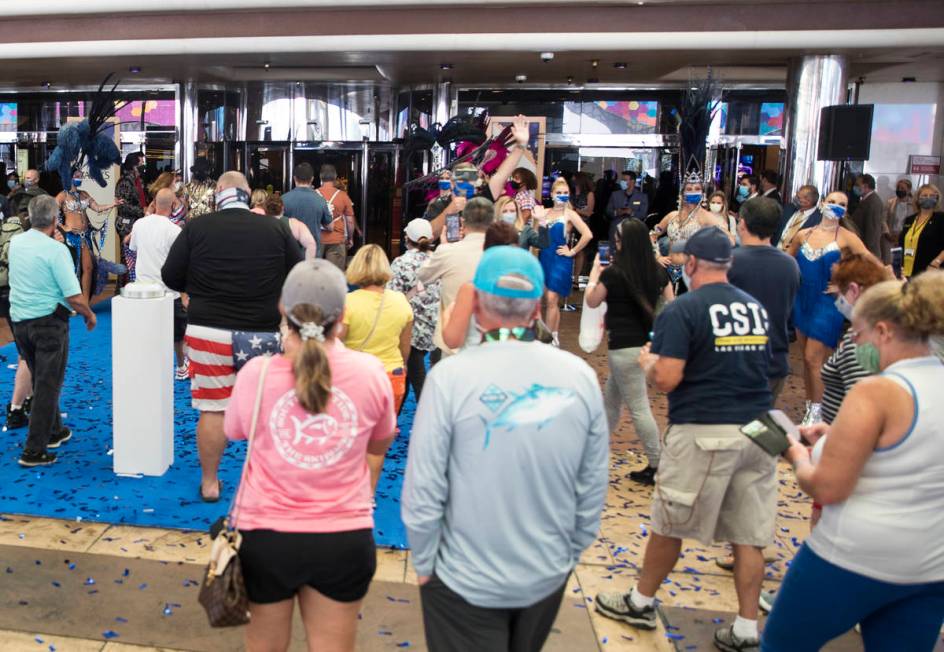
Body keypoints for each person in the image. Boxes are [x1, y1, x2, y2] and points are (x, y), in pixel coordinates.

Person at [403, 245, 609, 652]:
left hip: (461, 577)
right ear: (536, 307)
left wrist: (425, 564)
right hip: (545, 575)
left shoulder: (450, 379)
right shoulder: (579, 377)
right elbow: (593, 483)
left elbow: (423, 488)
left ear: (476, 302)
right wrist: (567, 555)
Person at [595, 227, 775, 652]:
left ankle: (641, 601)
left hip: (706, 428)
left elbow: (668, 380)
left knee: (668, 522)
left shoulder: (686, 310)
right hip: (760, 429)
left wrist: (649, 363)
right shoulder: (754, 309)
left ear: (690, 263)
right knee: (749, 534)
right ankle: (747, 627)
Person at [764, 271, 944, 652]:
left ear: (882, 331)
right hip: (929, 566)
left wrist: (795, 451)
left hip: (852, 557)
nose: (854, 344)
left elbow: (827, 486)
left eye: (857, 335)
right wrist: (840, 439)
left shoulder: (877, 391)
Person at [224, 259, 396, 652]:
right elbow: (379, 444)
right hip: (343, 536)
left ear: (283, 310)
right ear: (344, 314)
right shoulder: (371, 373)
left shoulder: (258, 373)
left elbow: (235, 430)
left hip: (266, 536)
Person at [162, 171, 304, 502]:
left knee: (213, 410)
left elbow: (170, 275)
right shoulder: (276, 228)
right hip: (262, 333)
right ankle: (268, 483)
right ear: (247, 193)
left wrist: (194, 287)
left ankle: (210, 483)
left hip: (208, 331)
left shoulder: (197, 228)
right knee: (267, 411)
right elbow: (298, 274)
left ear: (218, 193)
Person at [8, 195, 97, 467]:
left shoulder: (16, 243)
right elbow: (73, 295)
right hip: (48, 323)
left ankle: (55, 430)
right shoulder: (56, 251)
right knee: (48, 384)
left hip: (20, 322)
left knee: (42, 378)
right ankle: (33, 450)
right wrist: (89, 314)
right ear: (55, 220)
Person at [585, 218, 672, 485]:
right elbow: (672, 304)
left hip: (622, 346)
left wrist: (593, 275)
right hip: (646, 344)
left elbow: (592, 300)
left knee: (638, 407)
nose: (616, 244)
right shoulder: (657, 271)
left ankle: (658, 465)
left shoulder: (613, 273)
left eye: (619, 240)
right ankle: (594, 455)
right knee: (611, 401)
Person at [787, 191, 870, 425]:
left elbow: (871, 263)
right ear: (823, 203)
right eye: (832, 202)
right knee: (806, 359)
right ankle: (810, 406)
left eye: (842, 204)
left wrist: (845, 285)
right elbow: (788, 259)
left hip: (828, 303)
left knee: (814, 359)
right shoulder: (803, 234)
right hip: (802, 299)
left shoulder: (847, 237)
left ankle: (818, 413)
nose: (836, 206)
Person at [729, 197, 801, 404]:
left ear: (742, 223)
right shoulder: (790, 265)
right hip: (774, 358)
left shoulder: (729, 261)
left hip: (734, 361)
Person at [426, 116, 530, 240]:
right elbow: (428, 235)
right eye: (461, 179)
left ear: (476, 183)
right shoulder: (440, 204)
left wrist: (520, 146)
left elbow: (501, 175)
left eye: (470, 179)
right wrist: (451, 209)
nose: (466, 183)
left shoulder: (482, 201)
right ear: (452, 183)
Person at [417, 196, 493, 357]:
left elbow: (423, 276)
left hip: (453, 341)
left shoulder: (448, 251)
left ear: (463, 223)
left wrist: (444, 247)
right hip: (491, 341)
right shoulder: (504, 254)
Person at [818, 251, 889, 425]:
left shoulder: (860, 339)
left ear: (854, 290)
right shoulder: (883, 327)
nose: (838, 301)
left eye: (839, 294)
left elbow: (862, 409)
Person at [342, 244, 413, 413]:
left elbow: (336, 346)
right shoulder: (400, 300)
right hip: (392, 375)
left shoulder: (346, 302)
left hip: (356, 377)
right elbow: (405, 347)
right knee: (384, 435)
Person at [128, 188, 189, 380]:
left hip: (143, 290)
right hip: (169, 291)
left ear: (154, 203)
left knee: (146, 333)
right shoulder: (175, 230)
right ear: (173, 205)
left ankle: (147, 368)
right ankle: (180, 367)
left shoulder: (139, 224)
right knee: (178, 336)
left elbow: (133, 248)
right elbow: (181, 263)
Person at [388, 219, 441, 405]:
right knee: (413, 375)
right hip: (437, 324)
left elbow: (392, 297)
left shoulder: (401, 263)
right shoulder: (439, 260)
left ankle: (428, 422)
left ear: (406, 239)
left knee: (417, 379)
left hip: (411, 328)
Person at [537, 178, 592, 346]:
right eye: (559, 193)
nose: (562, 196)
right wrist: (539, 220)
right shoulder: (543, 212)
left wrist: (572, 251)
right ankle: (553, 334)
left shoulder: (570, 214)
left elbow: (587, 234)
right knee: (544, 300)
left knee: (553, 298)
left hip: (561, 260)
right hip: (544, 257)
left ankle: (547, 338)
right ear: (552, 194)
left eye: (565, 193)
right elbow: (539, 239)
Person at [55, 169, 124, 299]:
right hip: (71, 237)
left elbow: (97, 208)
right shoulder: (62, 195)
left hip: (85, 237)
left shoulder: (84, 194)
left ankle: (85, 301)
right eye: (76, 176)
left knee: (88, 268)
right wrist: (63, 227)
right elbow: (52, 213)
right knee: (72, 269)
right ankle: (72, 301)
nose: (79, 178)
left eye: (81, 176)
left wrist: (113, 204)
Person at [651, 178, 714, 291]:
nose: (693, 191)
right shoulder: (672, 216)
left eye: (697, 189)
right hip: (668, 269)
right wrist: (657, 256)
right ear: (682, 193)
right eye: (689, 189)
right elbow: (652, 235)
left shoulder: (707, 218)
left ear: (702, 194)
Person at [1, 208, 32, 430]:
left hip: (5, 295)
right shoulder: (25, 238)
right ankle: (16, 408)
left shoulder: (5, 235)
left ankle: (26, 401)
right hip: (20, 300)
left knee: (26, 354)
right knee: (27, 355)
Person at [281, 162, 332, 256]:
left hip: (290, 254)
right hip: (313, 254)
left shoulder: (283, 199)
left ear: (294, 178)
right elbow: (330, 226)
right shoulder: (320, 200)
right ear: (312, 179)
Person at [115, 152, 148, 282]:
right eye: (140, 163)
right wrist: (142, 211)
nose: (142, 166)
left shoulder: (137, 181)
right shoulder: (125, 182)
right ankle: (123, 287)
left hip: (136, 222)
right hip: (126, 224)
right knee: (127, 257)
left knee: (135, 257)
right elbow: (123, 206)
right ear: (133, 166)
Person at [899, 183, 944, 278]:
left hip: (931, 271)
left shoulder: (941, 219)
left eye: (932, 196)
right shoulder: (909, 220)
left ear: (937, 198)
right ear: (918, 199)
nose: (928, 198)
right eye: (924, 195)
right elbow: (901, 244)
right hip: (907, 270)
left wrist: (937, 262)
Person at [317, 164, 355, 270]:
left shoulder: (313, 194)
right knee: (335, 275)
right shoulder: (343, 196)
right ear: (335, 177)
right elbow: (350, 221)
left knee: (315, 276)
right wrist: (350, 238)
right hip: (337, 240)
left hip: (316, 240)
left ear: (320, 177)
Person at [264, 195, 318, 260]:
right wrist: (307, 266)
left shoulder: (258, 224)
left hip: (265, 266)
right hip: (291, 267)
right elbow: (311, 245)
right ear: (282, 208)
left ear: (265, 209)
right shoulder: (295, 224)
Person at [776, 184, 821, 251]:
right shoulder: (788, 208)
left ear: (808, 201)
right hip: (774, 250)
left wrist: (794, 248)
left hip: (794, 256)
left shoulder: (819, 219)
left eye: (798, 197)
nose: (795, 198)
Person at [606, 170, 649, 240]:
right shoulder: (615, 195)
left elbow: (643, 214)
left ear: (633, 181)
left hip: (634, 229)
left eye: (625, 180)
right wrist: (616, 212)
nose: (622, 182)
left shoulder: (642, 197)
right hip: (616, 228)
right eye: (622, 180)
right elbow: (608, 211)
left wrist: (632, 212)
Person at [850, 173, 885, 259]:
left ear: (866, 186)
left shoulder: (873, 203)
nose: (855, 187)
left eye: (858, 185)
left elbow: (872, 231)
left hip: (868, 252)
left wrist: (866, 253)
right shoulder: (866, 200)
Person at [572, 171, 596, 280]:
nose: (573, 182)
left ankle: (576, 278)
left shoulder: (589, 194)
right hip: (570, 224)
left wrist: (575, 210)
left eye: (574, 180)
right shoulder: (570, 193)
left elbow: (589, 212)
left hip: (582, 225)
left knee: (579, 251)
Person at [884, 178, 914, 261]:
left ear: (909, 190)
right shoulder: (890, 202)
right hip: (890, 237)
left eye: (903, 188)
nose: (900, 190)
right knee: (890, 261)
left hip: (907, 237)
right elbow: (883, 219)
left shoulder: (914, 205)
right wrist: (888, 234)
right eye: (898, 188)